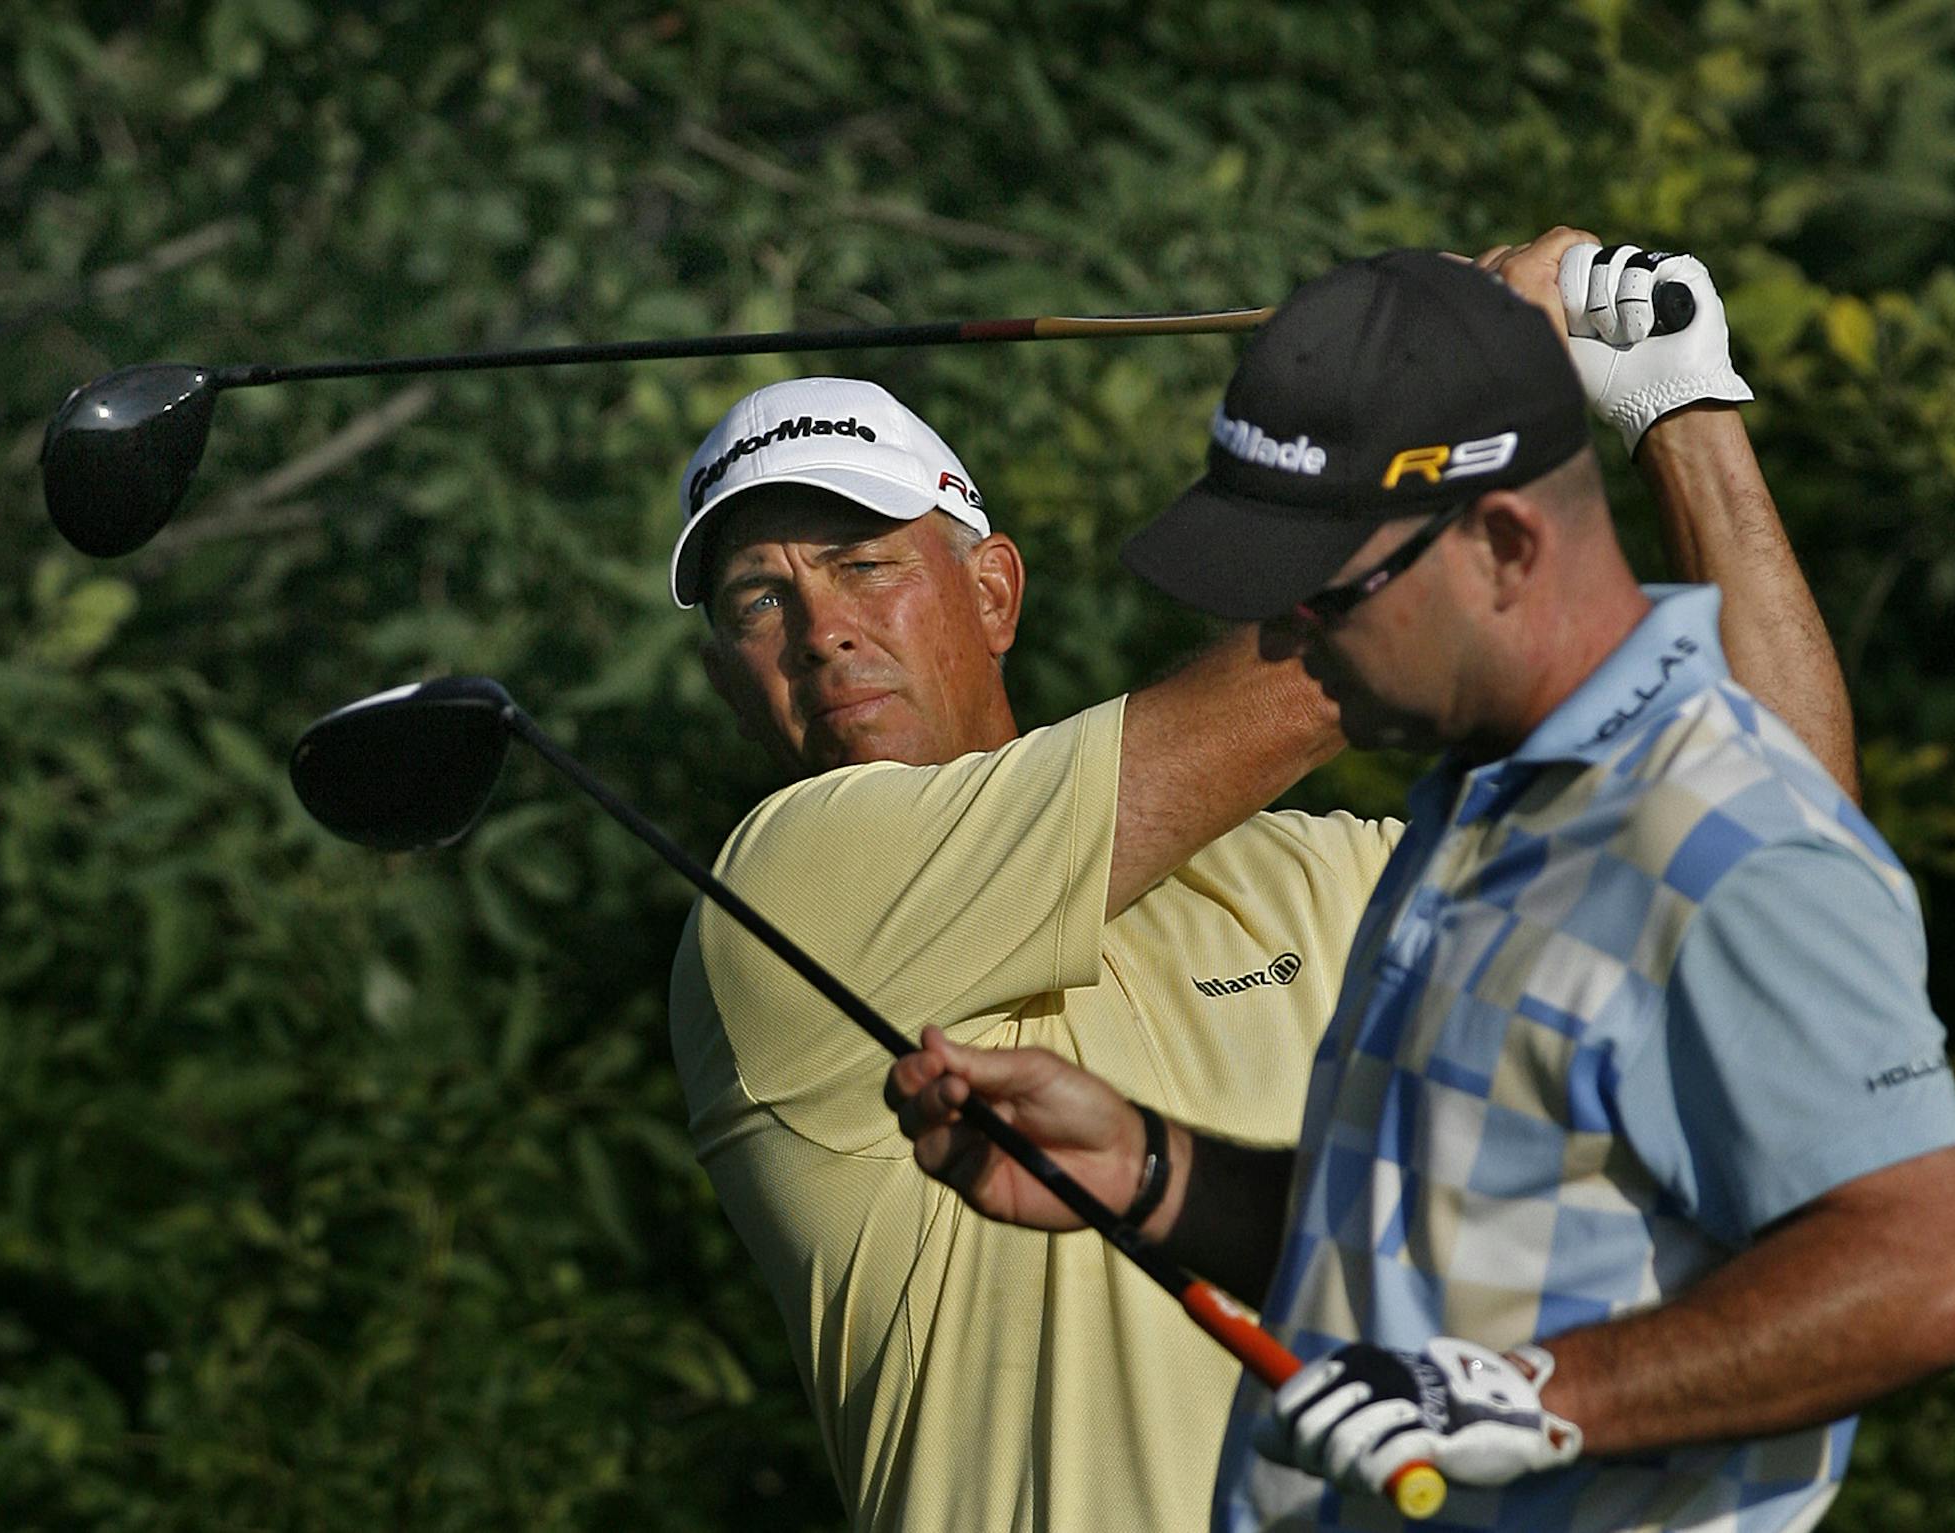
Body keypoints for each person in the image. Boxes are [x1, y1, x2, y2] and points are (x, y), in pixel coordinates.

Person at [672, 230, 1861, 1532]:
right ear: (730, 673)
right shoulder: (782, 898)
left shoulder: (1325, 876)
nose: (821, 627)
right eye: (755, 601)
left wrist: (1682, 411)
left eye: (865, 564)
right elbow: (1344, 648)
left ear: (995, 589)